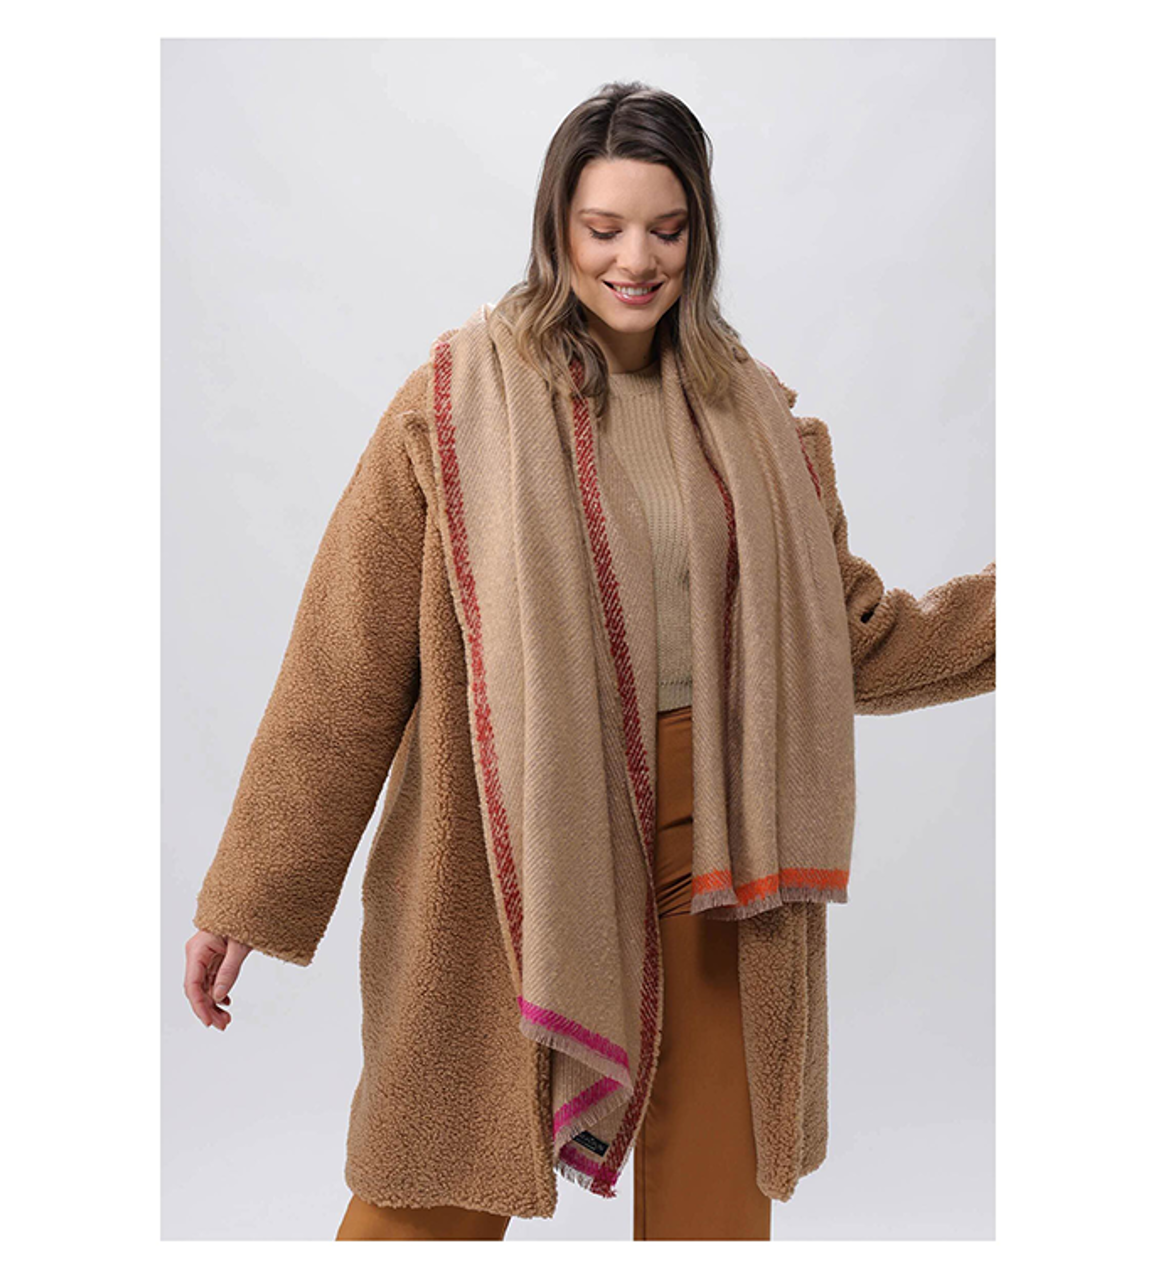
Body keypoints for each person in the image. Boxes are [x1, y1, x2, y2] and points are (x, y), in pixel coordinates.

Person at [183, 80, 996, 1241]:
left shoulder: (760, 422)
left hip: (719, 846)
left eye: (666, 228)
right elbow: (344, 663)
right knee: (433, 1180)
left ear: (697, 232)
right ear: (555, 226)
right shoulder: (455, 406)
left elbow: (852, 641)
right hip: (515, 846)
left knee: (712, 1195)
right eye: (603, 227)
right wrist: (249, 895)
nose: (636, 259)